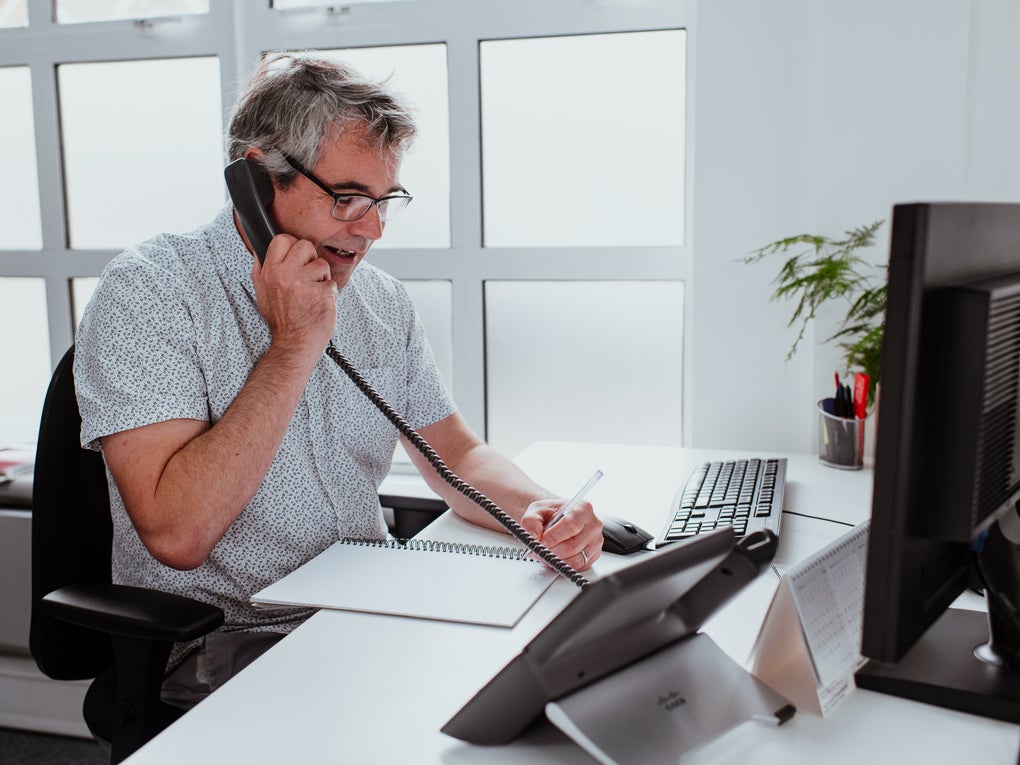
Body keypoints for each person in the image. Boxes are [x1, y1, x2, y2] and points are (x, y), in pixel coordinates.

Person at [73, 51, 603, 709]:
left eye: (384, 202)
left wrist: (542, 511)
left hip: (368, 612)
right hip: (228, 641)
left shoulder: (380, 300)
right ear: (256, 179)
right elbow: (177, 534)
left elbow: (457, 453)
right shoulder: (150, 291)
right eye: (347, 198)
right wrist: (293, 345)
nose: (371, 229)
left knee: (557, 681)